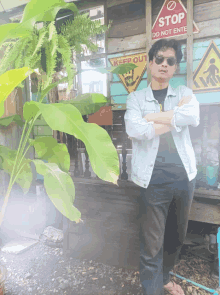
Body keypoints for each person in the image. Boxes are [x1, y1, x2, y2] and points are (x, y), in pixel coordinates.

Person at [124, 39, 200, 295]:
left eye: (170, 61)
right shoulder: (135, 98)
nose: (164, 65)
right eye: (159, 59)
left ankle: (166, 277)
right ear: (150, 62)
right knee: (152, 244)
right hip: (152, 181)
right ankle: (152, 290)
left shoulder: (183, 94)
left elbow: (193, 116)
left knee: (176, 238)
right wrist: (174, 119)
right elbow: (135, 129)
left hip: (183, 179)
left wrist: (152, 118)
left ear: (175, 67)